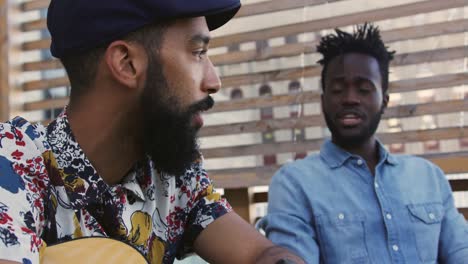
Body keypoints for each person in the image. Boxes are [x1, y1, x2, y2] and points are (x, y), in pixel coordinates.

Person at [0, 0, 305, 263]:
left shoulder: (173, 175)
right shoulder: (14, 164)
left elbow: (258, 255)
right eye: (198, 52)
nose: (214, 81)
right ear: (127, 63)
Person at [262, 23, 468, 263]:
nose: (350, 99)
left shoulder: (428, 177)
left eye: (364, 89)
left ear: (385, 101)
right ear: (323, 101)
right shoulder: (294, 183)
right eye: (338, 90)